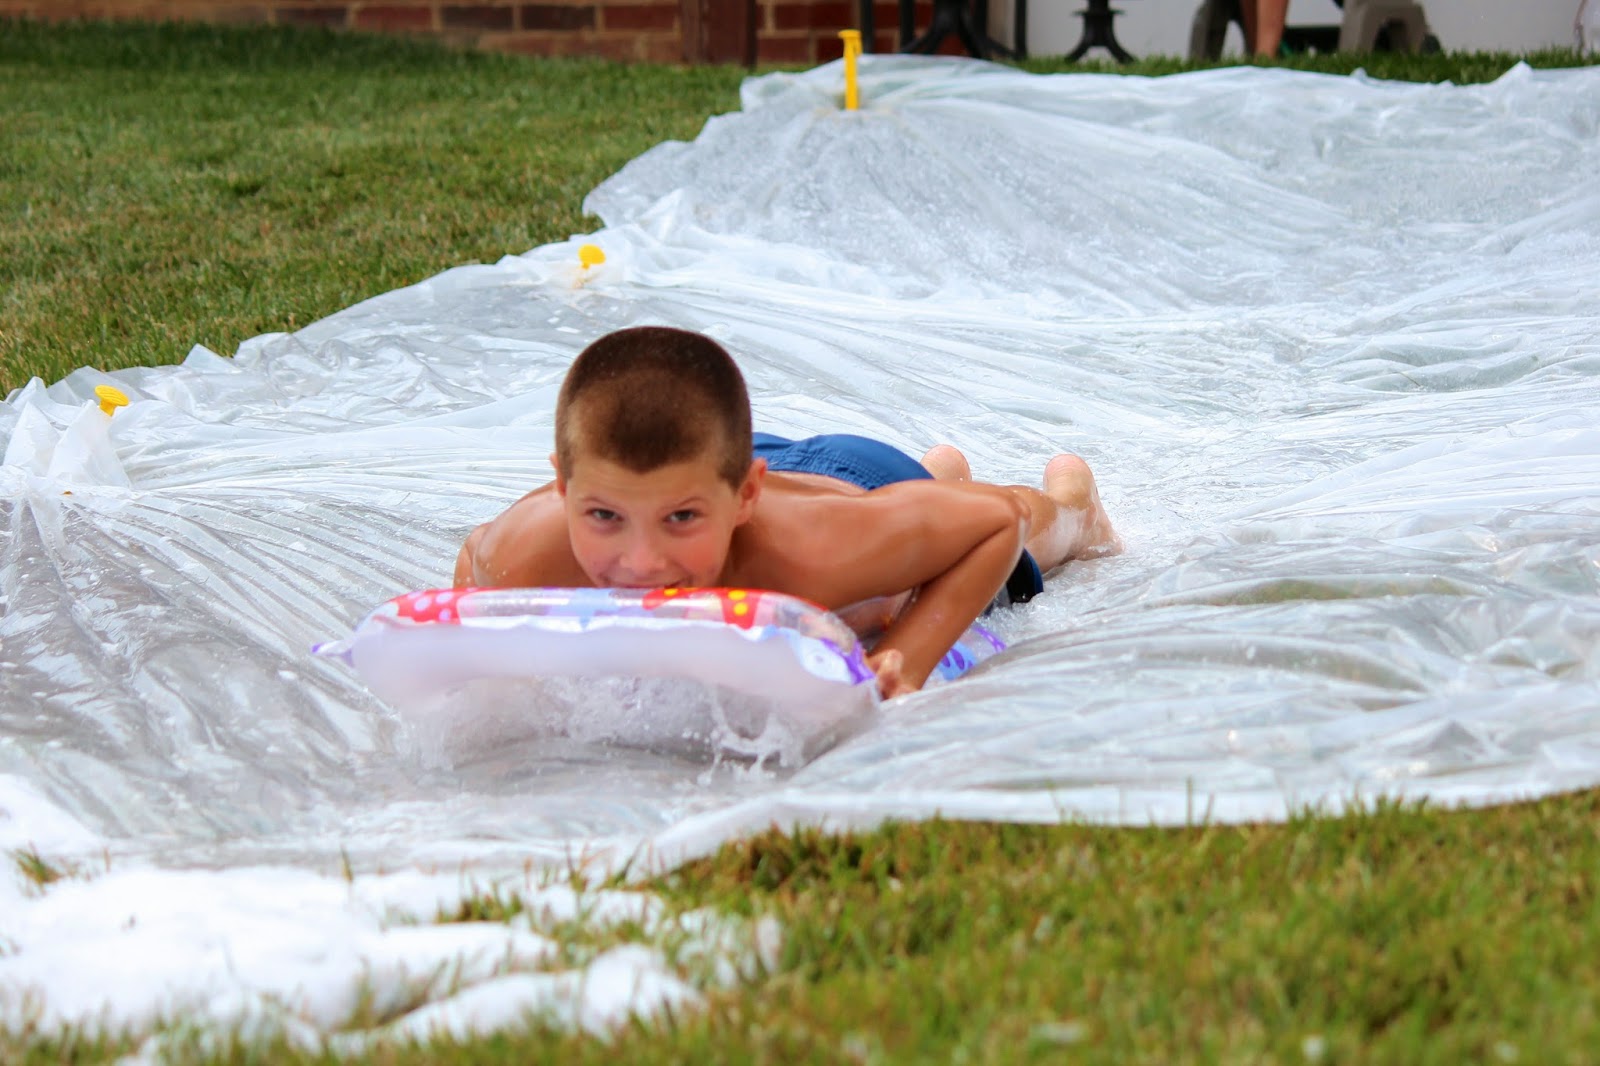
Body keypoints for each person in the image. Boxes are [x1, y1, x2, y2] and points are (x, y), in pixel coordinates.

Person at [453, 326, 1120, 697]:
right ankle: (939, 474)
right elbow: (472, 557)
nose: (640, 562)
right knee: (913, 516)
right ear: (564, 492)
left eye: (679, 525)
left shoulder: (815, 552)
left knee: (1001, 539)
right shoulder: (525, 550)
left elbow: (995, 520)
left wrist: (906, 655)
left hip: (856, 486)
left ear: (745, 499)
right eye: (601, 519)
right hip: (700, 463)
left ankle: (1073, 503)